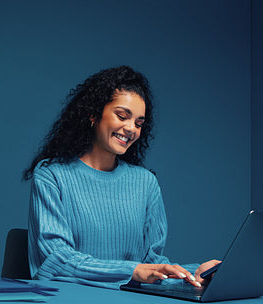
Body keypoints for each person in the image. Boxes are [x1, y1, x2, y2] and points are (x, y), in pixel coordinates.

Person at [23, 65, 219, 289]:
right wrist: (131, 270)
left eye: (138, 123)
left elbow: (152, 265)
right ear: (94, 114)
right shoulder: (51, 174)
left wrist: (196, 273)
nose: (131, 129)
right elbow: (56, 260)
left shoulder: (145, 183)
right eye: (122, 116)